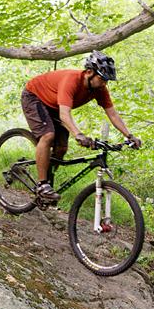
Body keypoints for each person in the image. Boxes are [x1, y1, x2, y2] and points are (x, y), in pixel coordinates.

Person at [20, 50, 141, 203]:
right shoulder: (71, 80)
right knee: (48, 135)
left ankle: (48, 182)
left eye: (107, 81)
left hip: (54, 105)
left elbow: (113, 114)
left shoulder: (100, 89)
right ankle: (42, 185)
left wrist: (129, 136)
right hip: (34, 96)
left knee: (61, 148)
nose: (104, 84)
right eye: (102, 79)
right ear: (89, 72)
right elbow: (65, 115)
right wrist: (78, 134)